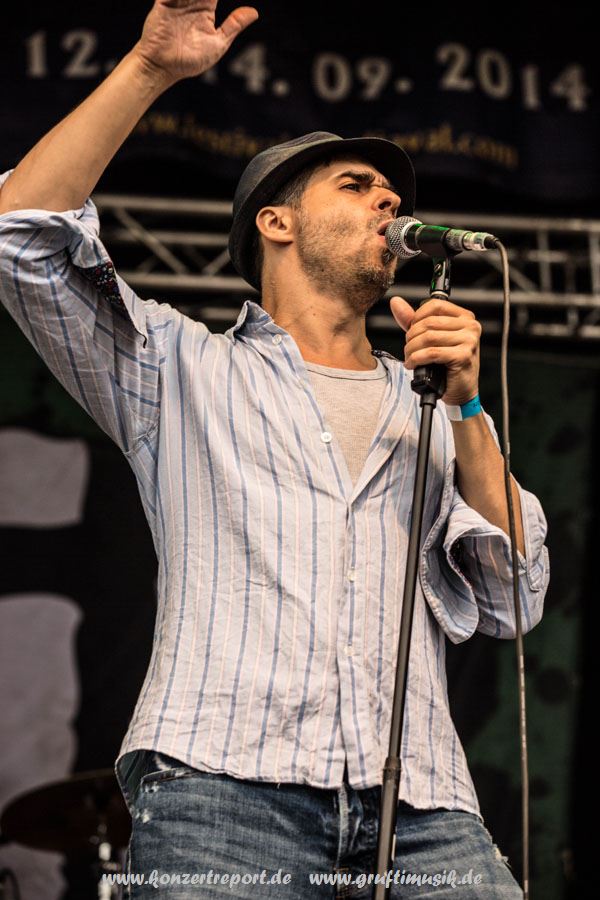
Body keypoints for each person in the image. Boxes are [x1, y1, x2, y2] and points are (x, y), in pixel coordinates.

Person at [0, 1, 549, 896]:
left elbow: (514, 594)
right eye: (356, 185)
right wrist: (149, 68)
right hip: (223, 789)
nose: (390, 201)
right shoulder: (180, 367)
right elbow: (18, 235)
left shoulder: (429, 404)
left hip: (423, 803)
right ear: (276, 223)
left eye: (392, 192)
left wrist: (470, 406)